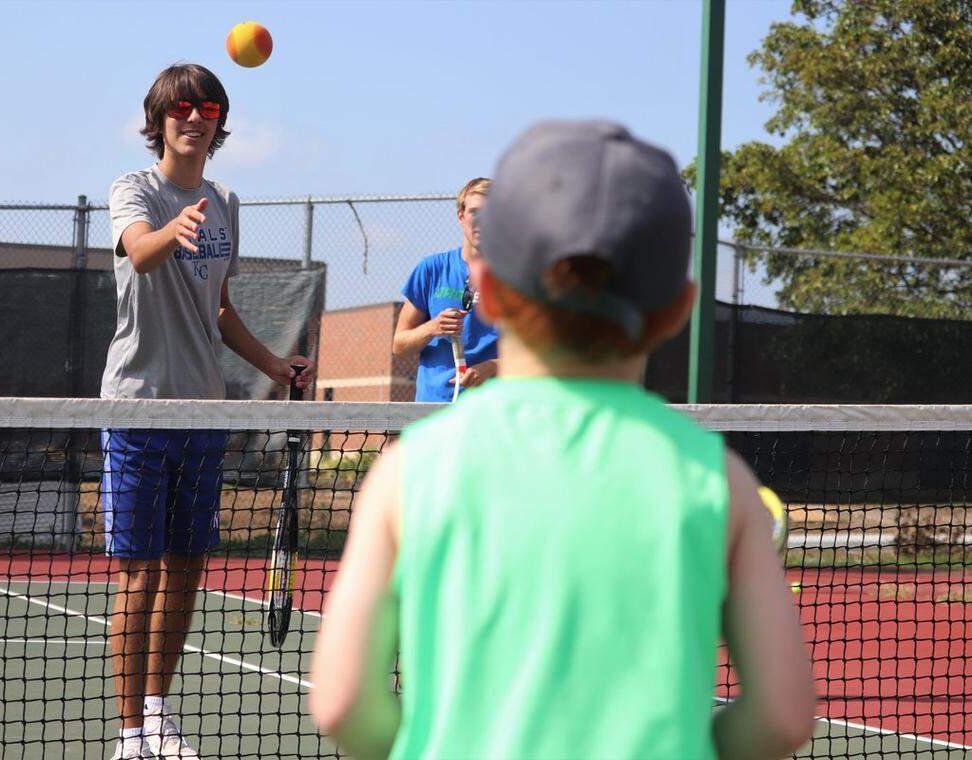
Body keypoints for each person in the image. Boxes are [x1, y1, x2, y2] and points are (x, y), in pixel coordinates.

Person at [310, 121, 815, 759]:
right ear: (679, 309)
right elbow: (784, 717)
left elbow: (342, 703)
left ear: (489, 291)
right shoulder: (720, 480)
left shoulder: (409, 472)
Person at [102, 63, 315, 760]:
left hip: (203, 413)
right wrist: (175, 230)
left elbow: (220, 310)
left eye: (210, 107)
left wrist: (275, 367)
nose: (196, 117)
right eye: (183, 107)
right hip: (138, 408)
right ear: (160, 117)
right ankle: (130, 737)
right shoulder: (135, 190)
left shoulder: (226, 199)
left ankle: (158, 715)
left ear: (220, 122)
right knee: (141, 573)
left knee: (189, 566)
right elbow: (139, 254)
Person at [392, 177, 499, 402]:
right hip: (434, 410)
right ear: (461, 216)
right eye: (475, 213)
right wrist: (432, 328)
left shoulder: (517, 276)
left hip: (492, 412)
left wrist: (492, 367)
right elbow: (399, 345)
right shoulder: (431, 269)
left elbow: (538, 355)